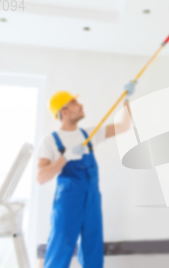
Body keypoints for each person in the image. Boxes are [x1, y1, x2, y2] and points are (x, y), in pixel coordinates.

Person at [36, 82, 135, 268]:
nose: (80, 105)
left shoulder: (89, 134)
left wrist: (127, 99)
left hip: (92, 198)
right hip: (68, 201)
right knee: (60, 249)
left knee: (93, 250)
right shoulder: (50, 141)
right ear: (63, 111)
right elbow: (41, 177)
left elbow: (123, 126)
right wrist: (65, 157)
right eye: (74, 103)